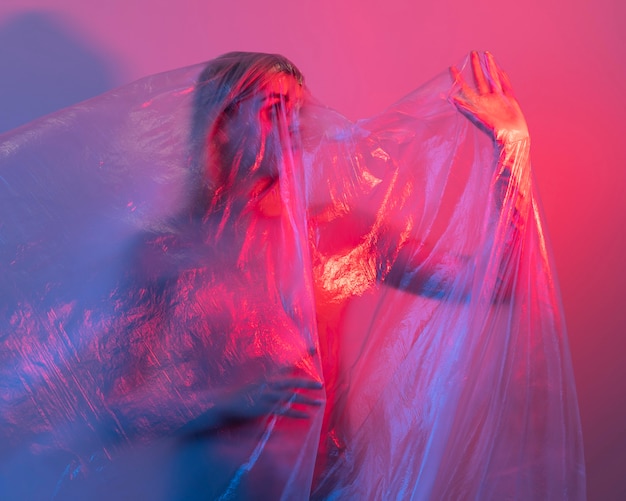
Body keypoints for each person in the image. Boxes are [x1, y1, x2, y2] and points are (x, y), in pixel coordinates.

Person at [0, 51, 585, 499]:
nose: (296, 125)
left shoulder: (338, 233)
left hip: (328, 487)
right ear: (222, 125)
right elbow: (118, 410)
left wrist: (510, 148)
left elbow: (495, 283)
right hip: (218, 490)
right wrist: (228, 399)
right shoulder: (165, 253)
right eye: (274, 109)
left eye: (299, 111)